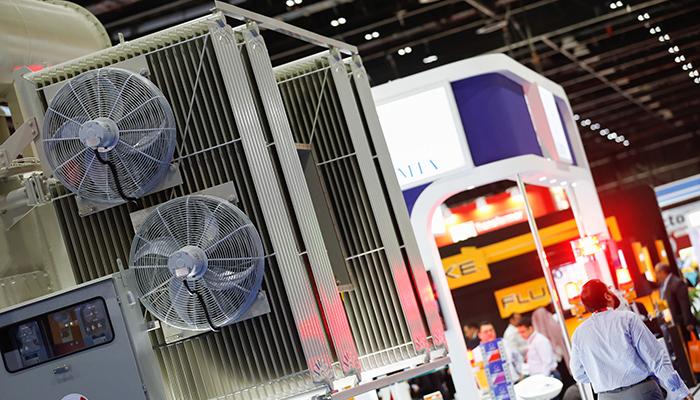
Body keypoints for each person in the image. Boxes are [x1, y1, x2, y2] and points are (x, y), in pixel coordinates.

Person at [570, 279, 692, 400]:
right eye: (609, 289)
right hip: (640, 392)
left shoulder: (578, 334)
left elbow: (579, 374)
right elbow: (656, 359)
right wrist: (682, 392)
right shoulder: (627, 319)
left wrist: (602, 376)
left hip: (606, 396)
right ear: (607, 296)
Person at [655, 262, 697, 339]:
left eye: (657, 273)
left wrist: (688, 322)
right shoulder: (663, 285)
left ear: (662, 272)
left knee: (691, 345)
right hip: (673, 324)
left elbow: (684, 303)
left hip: (683, 324)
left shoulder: (677, 282)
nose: (656, 276)